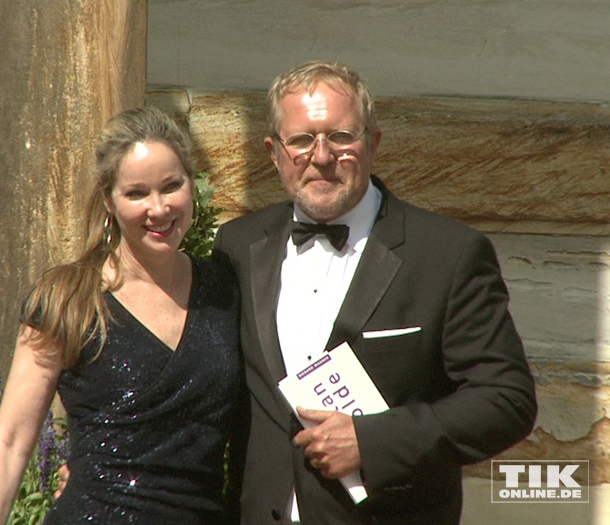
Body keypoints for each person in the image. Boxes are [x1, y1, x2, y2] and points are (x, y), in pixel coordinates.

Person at [212, 60, 537, 524]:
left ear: (373, 143)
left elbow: (507, 400)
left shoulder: (448, 254)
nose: (321, 156)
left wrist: (372, 441)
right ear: (274, 152)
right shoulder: (238, 247)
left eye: (341, 137)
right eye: (302, 140)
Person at [0, 107, 243, 524]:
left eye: (172, 186)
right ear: (108, 199)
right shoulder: (68, 299)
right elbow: (10, 442)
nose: (158, 208)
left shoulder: (226, 289)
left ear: (192, 184)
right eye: (137, 193)